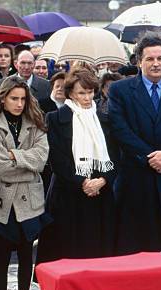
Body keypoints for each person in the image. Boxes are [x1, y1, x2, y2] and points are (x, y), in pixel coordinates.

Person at [109, 31, 161, 253]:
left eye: (160, 58)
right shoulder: (121, 90)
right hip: (136, 178)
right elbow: (120, 129)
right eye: (150, 59)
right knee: (136, 243)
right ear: (139, 62)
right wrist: (150, 156)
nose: (156, 64)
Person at [0, 76, 49, 290]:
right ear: (3, 98)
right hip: (2, 201)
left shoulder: (36, 124)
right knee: (2, 257)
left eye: (23, 98)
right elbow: (0, 168)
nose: (19, 104)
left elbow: (41, 160)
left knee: (25, 255)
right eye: (14, 98)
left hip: (30, 201)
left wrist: (15, 156)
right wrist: (26, 162)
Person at [37, 67, 117, 261]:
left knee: (98, 253)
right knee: (66, 252)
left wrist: (102, 181)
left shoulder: (104, 119)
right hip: (67, 194)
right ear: (70, 92)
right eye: (82, 92)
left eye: (90, 92)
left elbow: (115, 155)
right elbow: (57, 158)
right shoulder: (55, 118)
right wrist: (83, 182)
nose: (87, 97)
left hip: (100, 195)